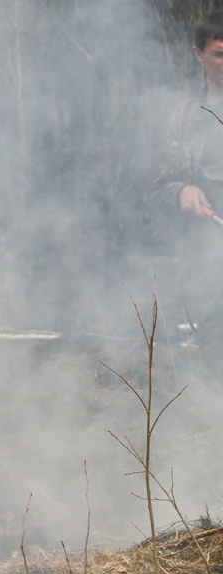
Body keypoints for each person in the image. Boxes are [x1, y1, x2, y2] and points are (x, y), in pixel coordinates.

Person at [155, 10, 223, 376]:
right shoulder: (184, 119)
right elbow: (160, 182)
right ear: (199, 54)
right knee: (215, 348)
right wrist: (181, 188)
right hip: (208, 265)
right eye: (219, 53)